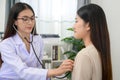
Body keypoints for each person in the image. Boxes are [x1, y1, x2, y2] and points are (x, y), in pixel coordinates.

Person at [0, 2, 73, 80]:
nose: (30, 22)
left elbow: (38, 67)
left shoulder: (38, 40)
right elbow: (22, 71)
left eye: (32, 18)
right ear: (15, 21)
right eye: (25, 19)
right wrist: (56, 71)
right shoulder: (6, 44)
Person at [72, 3, 112, 80]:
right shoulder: (100, 51)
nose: (73, 26)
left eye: (76, 21)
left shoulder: (84, 55)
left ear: (88, 25)